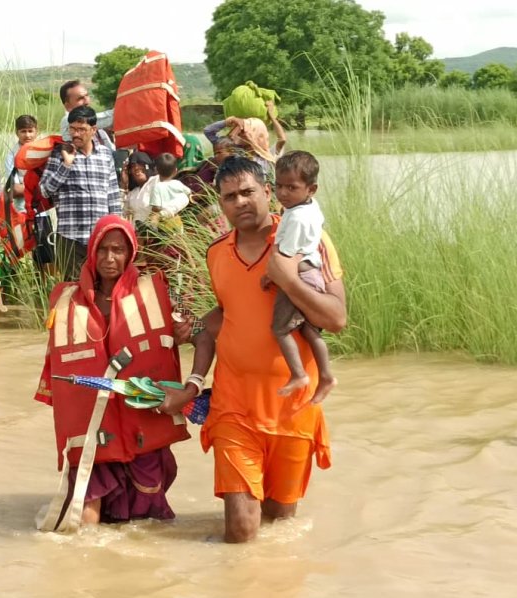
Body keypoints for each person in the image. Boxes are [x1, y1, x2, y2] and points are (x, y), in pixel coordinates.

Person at [159, 156, 347, 543]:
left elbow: (336, 318)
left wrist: (287, 280)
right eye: (229, 197)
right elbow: (227, 314)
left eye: (248, 192)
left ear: (268, 191)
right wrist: (191, 343)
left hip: (293, 409)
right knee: (242, 530)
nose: (240, 202)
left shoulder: (306, 240)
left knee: (279, 521)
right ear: (220, 203)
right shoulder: (216, 253)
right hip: (234, 408)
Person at [34, 215, 193, 525]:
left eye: (118, 250)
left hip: (140, 420)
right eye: (102, 249)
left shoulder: (157, 292)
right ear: (91, 251)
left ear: (130, 252)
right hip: (95, 426)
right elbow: (55, 361)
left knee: (146, 523)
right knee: (85, 518)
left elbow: (198, 328)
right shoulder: (67, 300)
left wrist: (185, 331)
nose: (109, 258)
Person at [268, 150, 336, 401]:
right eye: (279, 186)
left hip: (300, 278)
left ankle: (299, 374)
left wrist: (269, 276)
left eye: (291, 187)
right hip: (312, 274)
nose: (283, 193)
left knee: (280, 330)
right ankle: (326, 375)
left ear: (311, 188)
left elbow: (285, 257)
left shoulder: (296, 217)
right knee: (309, 331)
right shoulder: (309, 207)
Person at [40, 105, 122, 281]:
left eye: (81, 129)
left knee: (102, 288)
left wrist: (118, 231)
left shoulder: (106, 155)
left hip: (101, 238)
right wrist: (66, 165)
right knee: (74, 290)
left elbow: (113, 196)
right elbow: (45, 190)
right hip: (71, 238)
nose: (75, 134)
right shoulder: (59, 154)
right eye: (72, 129)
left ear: (93, 130)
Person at [203, 101, 287, 178]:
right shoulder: (234, 151)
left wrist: (272, 116)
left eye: (244, 132)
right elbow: (208, 131)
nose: (240, 134)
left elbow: (282, 139)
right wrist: (229, 121)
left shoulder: (266, 156)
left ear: (254, 134)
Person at [58, 80, 115, 151]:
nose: (87, 101)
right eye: (80, 98)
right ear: (68, 106)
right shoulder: (67, 120)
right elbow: (110, 118)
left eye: (87, 95)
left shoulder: (99, 131)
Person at [3, 115, 39, 214]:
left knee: (47, 229)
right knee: (19, 229)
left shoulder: (44, 152)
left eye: (30, 131)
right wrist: (39, 189)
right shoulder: (12, 156)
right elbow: (15, 189)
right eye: (23, 131)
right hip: (21, 209)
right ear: (17, 133)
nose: (27, 135)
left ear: (36, 132)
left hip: (42, 210)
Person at [149, 153, 191, 220]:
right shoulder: (178, 183)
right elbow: (189, 192)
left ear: (156, 170)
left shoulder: (156, 187)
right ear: (175, 171)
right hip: (176, 219)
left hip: (163, 222)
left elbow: (156, 207)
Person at [122, 150, 157, 224]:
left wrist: (161, 214)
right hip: (137, 233)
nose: (136, 168)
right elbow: (122, 213)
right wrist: (124, 185)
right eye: (132, 166)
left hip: (156, 232)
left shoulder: (156, 182)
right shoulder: (133, 193)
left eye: (140, 163)